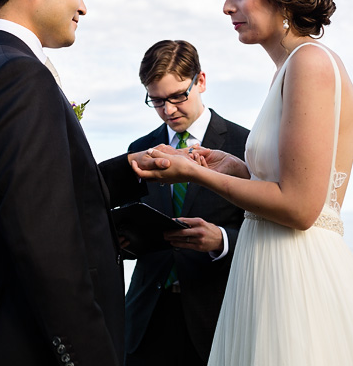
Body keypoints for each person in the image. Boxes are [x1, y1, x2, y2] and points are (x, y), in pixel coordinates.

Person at [133, 0, 353, 365]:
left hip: (295, 272)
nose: (227, 5)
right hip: (267, 267)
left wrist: (198, 174)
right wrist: (239, 168)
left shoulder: (310, 63)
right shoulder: (291, 68)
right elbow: (294, 179)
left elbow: (299, 207)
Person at [0, 0, 127, 366]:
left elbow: (46, 192)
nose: (83, 5)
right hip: (33, 348)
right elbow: (45, 242)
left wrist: (131, 169)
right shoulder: (18, 75)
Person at [105, 40, 248, 366]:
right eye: (156, 100)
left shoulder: (244, 144)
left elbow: (268, 228)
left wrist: (222, 240)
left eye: (177, 96)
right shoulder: (139, 148)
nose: (168, 110)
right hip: (146, 321)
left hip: (217, 319)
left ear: (200, 81)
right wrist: (121, 241)